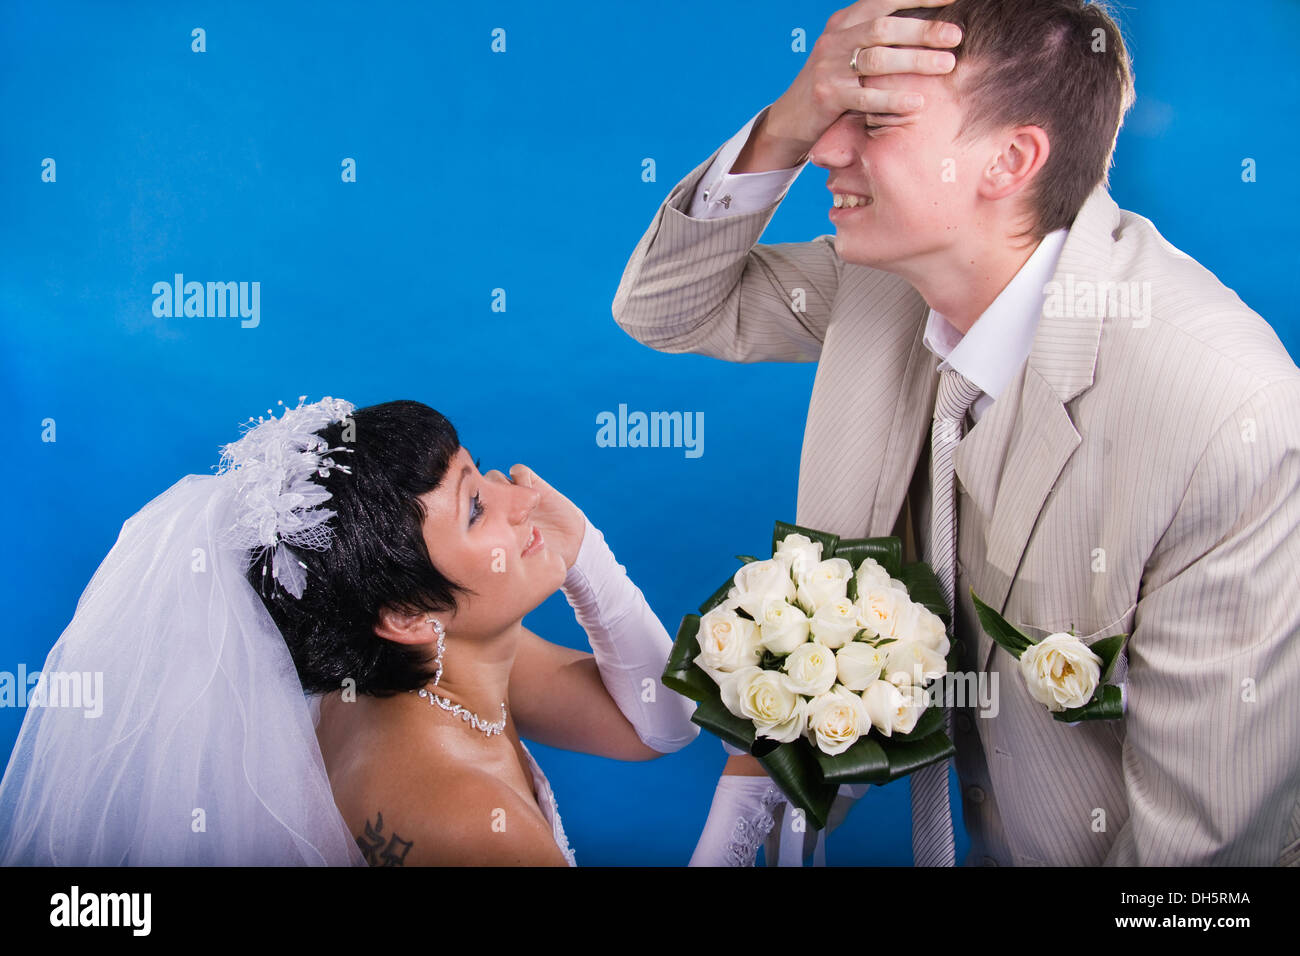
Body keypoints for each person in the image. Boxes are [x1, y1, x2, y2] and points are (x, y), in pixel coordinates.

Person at [613, 0, 1300, 866]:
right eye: (830, 114)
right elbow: (664, 308)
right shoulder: (887, 281)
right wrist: (784, 123)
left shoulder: (1225, 416)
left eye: (876, 120)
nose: (829, 147)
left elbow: (1200, 864)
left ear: (1011, 159)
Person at [0, 397, 698, 865]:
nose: (525, 498)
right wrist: (748, 793)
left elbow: (655, 726)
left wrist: (588, 555)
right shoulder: (466, 819)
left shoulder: (438, 664)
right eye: (477, 508)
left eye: (478, 472)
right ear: (404, 616)